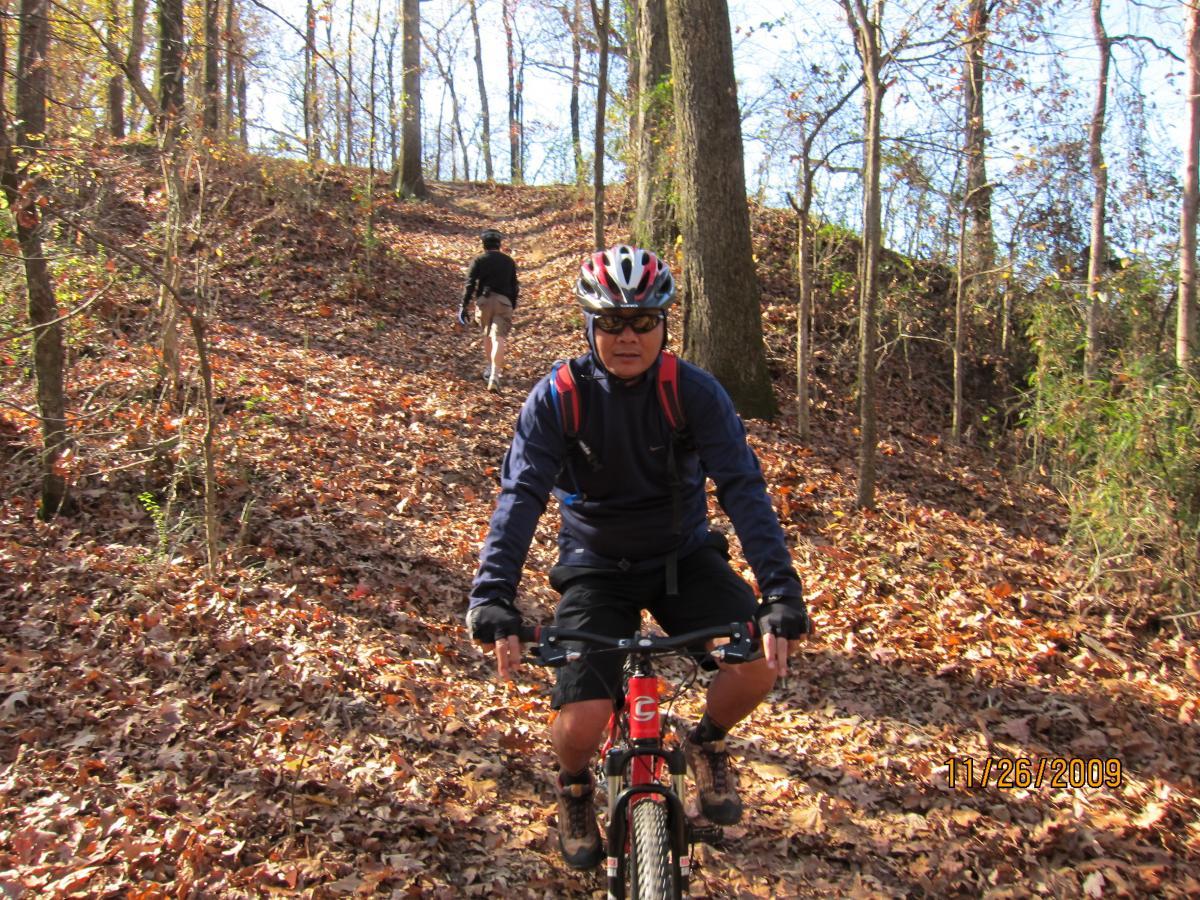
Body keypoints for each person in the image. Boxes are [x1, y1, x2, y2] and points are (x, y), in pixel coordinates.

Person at [465, 244, 811, 871]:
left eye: (643, 322)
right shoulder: (558, 397)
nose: (628, 337)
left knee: (758, 661)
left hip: (683, 557)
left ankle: (706, 743)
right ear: (589, 325)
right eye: (611, 324)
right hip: (596, 568)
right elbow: (520, 496)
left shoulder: (693, 392)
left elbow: (742, 487)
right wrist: (492, 595)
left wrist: (781, 591)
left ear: (664, 325)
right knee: (584, 718)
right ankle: (573, 788)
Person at [459, 228, 519, 392]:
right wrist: (512, 304)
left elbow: (470, 284)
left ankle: (490, 367)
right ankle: (495, 375)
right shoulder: (508, 261)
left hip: (484, 301)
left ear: (484, 244)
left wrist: (463, 305)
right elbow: (514, 286)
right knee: (499, 338)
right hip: (504, 302)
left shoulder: (478, 260)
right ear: (499, 244)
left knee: (487, 335)